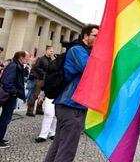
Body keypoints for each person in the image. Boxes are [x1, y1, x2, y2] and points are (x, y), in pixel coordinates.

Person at [44, 24, 99, 162]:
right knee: (67, 150)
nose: (99, 38)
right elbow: (91, 70)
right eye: (96, 35)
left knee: (58, 145)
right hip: (71, 105)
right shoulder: (78, 50)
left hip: (70, 104)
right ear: (86, 36)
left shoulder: (84, 51)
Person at [0, 51, 28, 149]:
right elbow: (7, 82)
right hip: (9, 96)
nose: (27, 59)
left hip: (10, 95)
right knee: (5, 118)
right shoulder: (14, 66)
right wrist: (15, 92)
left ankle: (1, 137)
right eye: (26, 57)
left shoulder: (17, 65)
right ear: (21, 58)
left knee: (5, 117)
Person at [26, 46, 54, 117]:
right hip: (39, 79)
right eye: (51, 51)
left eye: (52, 51)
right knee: (35, 94)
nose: (52, 52)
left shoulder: (51, 60)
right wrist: (44, 73)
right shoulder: (41, 59)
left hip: (46, 80)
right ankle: (30, 110)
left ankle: (39, 109)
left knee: (43, 95)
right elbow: (36, 67)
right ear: (47, 51)